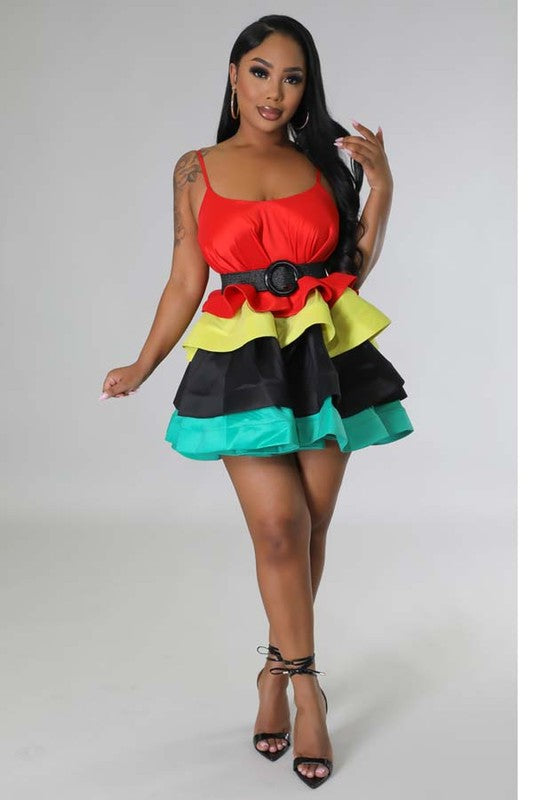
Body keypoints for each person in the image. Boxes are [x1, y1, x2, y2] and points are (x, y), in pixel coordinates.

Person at [100, 14, 414, 789]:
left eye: (293, 77)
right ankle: (305, 691)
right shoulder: (194, 169)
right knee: (278, 530)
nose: (275, 91)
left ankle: (272, 673)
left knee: (310, 529)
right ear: (234, 74)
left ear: (307, 88)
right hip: (243, 364)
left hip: (323, 358)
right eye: (261, 72)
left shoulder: (322, 164)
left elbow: (351, 269)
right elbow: (186, 277)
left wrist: (380, 186)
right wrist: (143, 363)